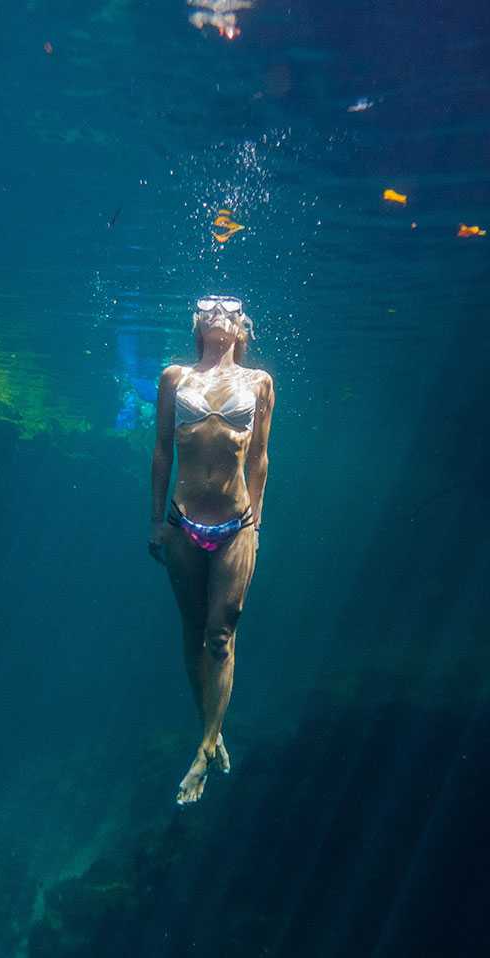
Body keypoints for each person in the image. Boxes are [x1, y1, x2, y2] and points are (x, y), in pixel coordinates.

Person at [149, 295, 276, 805]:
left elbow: (261, 456)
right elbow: (161, 450)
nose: (218, 312)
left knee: (221, 634)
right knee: (192, 630)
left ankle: (203, 752)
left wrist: (257, 524)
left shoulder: (259, 382)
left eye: (228, 309)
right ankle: (212, 727)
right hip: (183, 523)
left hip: (236, 523)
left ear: (242, 328)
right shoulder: (174, 377)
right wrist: (155, 520)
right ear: (197, 324)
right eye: (208, 308)